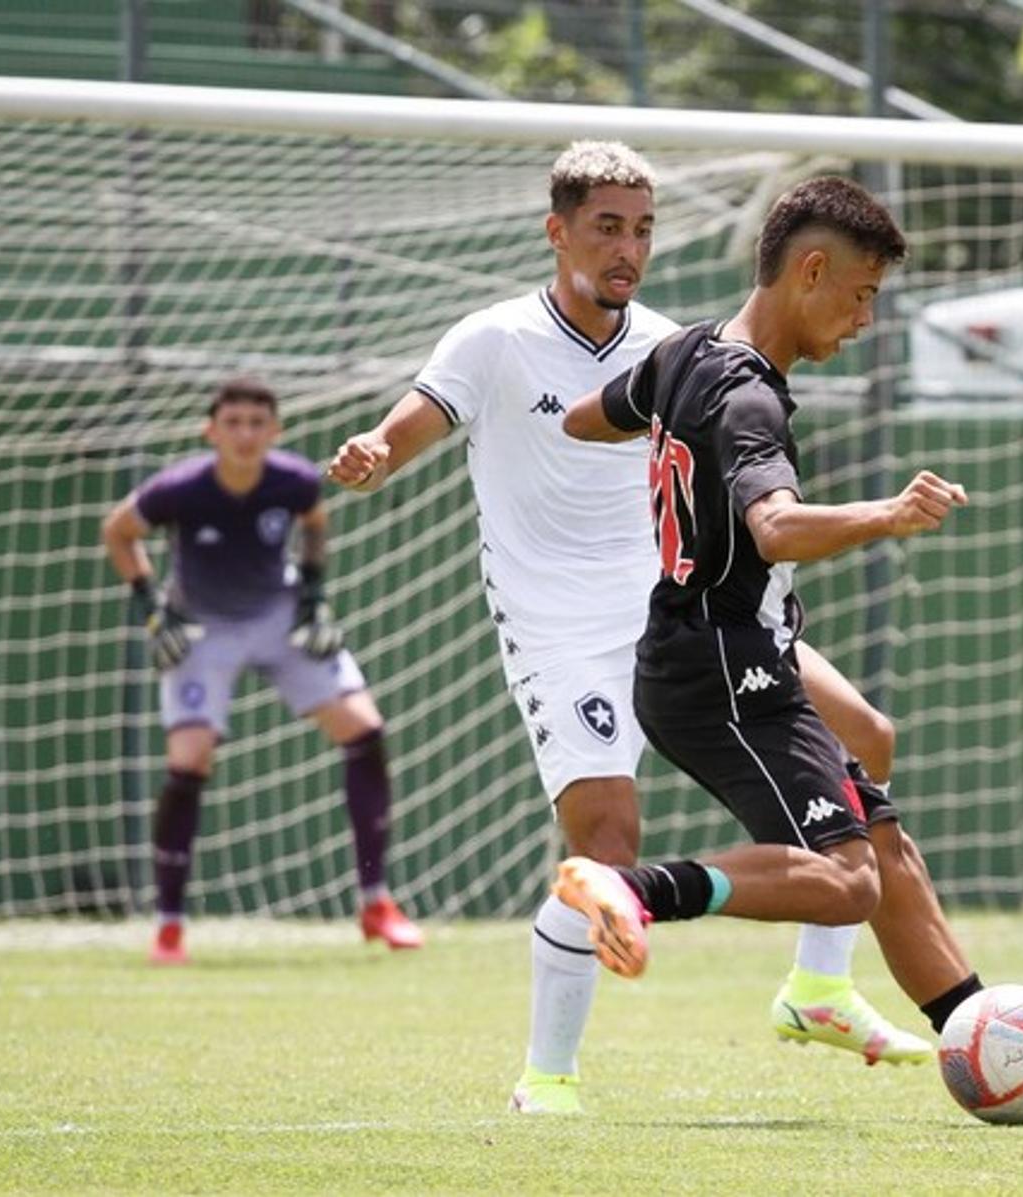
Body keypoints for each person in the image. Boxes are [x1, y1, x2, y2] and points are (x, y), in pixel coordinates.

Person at [324, 143, 931, 1116]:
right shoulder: (493, 339)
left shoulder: (672, 345)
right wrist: (374, 454)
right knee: (608, 842)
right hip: (558, 629)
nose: (628, 249)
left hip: (679, 618)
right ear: (556, 230)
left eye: (642, 229)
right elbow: (414, 423)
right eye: (607, 226)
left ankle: (818, 989)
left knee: (867, 733)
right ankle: (547, 1078)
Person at [558, 175, 1023, 1125]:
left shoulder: (683, 351)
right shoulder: (750, 399)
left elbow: (587, 417)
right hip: (722, 668)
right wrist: (890, 514)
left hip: (730, 647)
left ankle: (997, 1053)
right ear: (811, 270)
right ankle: (632, 887)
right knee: (844, 880)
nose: (867, 317)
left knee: (884, 846)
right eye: (862, 293)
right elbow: (777, 528)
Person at [102, 377, 422, 965]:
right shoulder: (179, 489)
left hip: (279, 614)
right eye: (233, 423)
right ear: (211, 431)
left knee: (365, 729)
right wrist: (152, 610)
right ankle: (169, 927)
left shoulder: (296, 480)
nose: (245, 434)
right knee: (188, 759)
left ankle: (376, 901)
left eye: (257, 423)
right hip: (203, 626)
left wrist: (314, 596)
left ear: (275, 431)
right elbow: (119, 532)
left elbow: (316, 525)